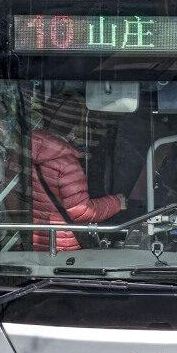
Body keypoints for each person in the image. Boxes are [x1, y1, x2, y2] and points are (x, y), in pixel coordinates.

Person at [30, 90, 125, 251]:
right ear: (73, 127)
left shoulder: (23, 151)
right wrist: (117, 202)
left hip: (33, 242)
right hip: (62, 247)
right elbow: (81, 213)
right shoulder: (67, 165)